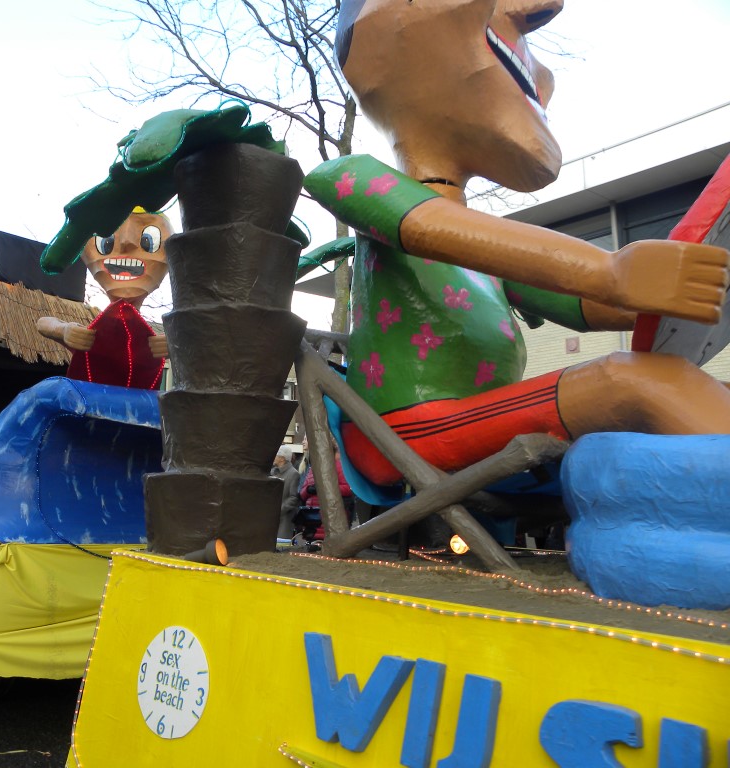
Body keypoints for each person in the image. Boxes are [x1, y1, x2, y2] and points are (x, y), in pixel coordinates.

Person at [302, 0, 730, 488]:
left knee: (689, 389)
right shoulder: (353, 177)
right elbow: (426, 225)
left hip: (476, 420)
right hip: (400, 429)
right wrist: (610, 270)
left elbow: (593, 303)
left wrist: (684, 288)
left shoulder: (485, 258)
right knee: (631, 383)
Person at [36, 208, 174, 389]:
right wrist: (63, 330)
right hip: (91, 401)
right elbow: (43, 323)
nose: (126, 243)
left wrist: (175, 344)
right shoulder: (93, 336)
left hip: (140, 404)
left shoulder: (152, 343)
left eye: (148, 241)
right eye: (106, 241)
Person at [271, 444, 301, 539]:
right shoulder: (272, 472)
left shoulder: (293, 474)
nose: (273, 457)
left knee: (281, 544)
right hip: (270, 517)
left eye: (276, 455)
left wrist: (279, 510)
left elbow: (294, 497)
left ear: (282, 458)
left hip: (284, 518)